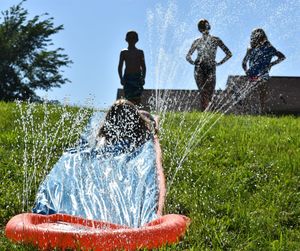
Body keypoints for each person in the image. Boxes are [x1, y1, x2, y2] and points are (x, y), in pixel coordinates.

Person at [186, 19, 232, 111]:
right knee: (203, 92)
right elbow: (188, 56)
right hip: (200, 67)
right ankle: (204, 113)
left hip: (208, 67)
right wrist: (193, 62)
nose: (204, 28)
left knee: (209, 92)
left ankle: (208, 113)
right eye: (202, 27)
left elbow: (229, 54)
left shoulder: (215, 40)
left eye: (204, 26)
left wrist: (219, 63)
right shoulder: (199, 41)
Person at [242, 28, 286, 113]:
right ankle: (247, 111)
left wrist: (271, 64)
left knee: (261, 94)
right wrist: (246, 71)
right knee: (251, 94)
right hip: (252, 74)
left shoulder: (269, 47)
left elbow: (282, 57)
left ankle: (261, 112)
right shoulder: (250, 48)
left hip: (262, 74)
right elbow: (244, 62)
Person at [118, 31, 146, 106]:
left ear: (136, 39)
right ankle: (129, 111)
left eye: (133, 37)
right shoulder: (124, 52)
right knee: (128, 97)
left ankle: (137, 111)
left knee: (137, 97)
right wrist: (121, 78)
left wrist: (143, 78)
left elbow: (143, 67)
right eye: (130, 37)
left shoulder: (140, 52)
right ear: (126, 39)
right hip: (128, 77)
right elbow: (120, 66)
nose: (131, 39)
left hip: (137, 77)